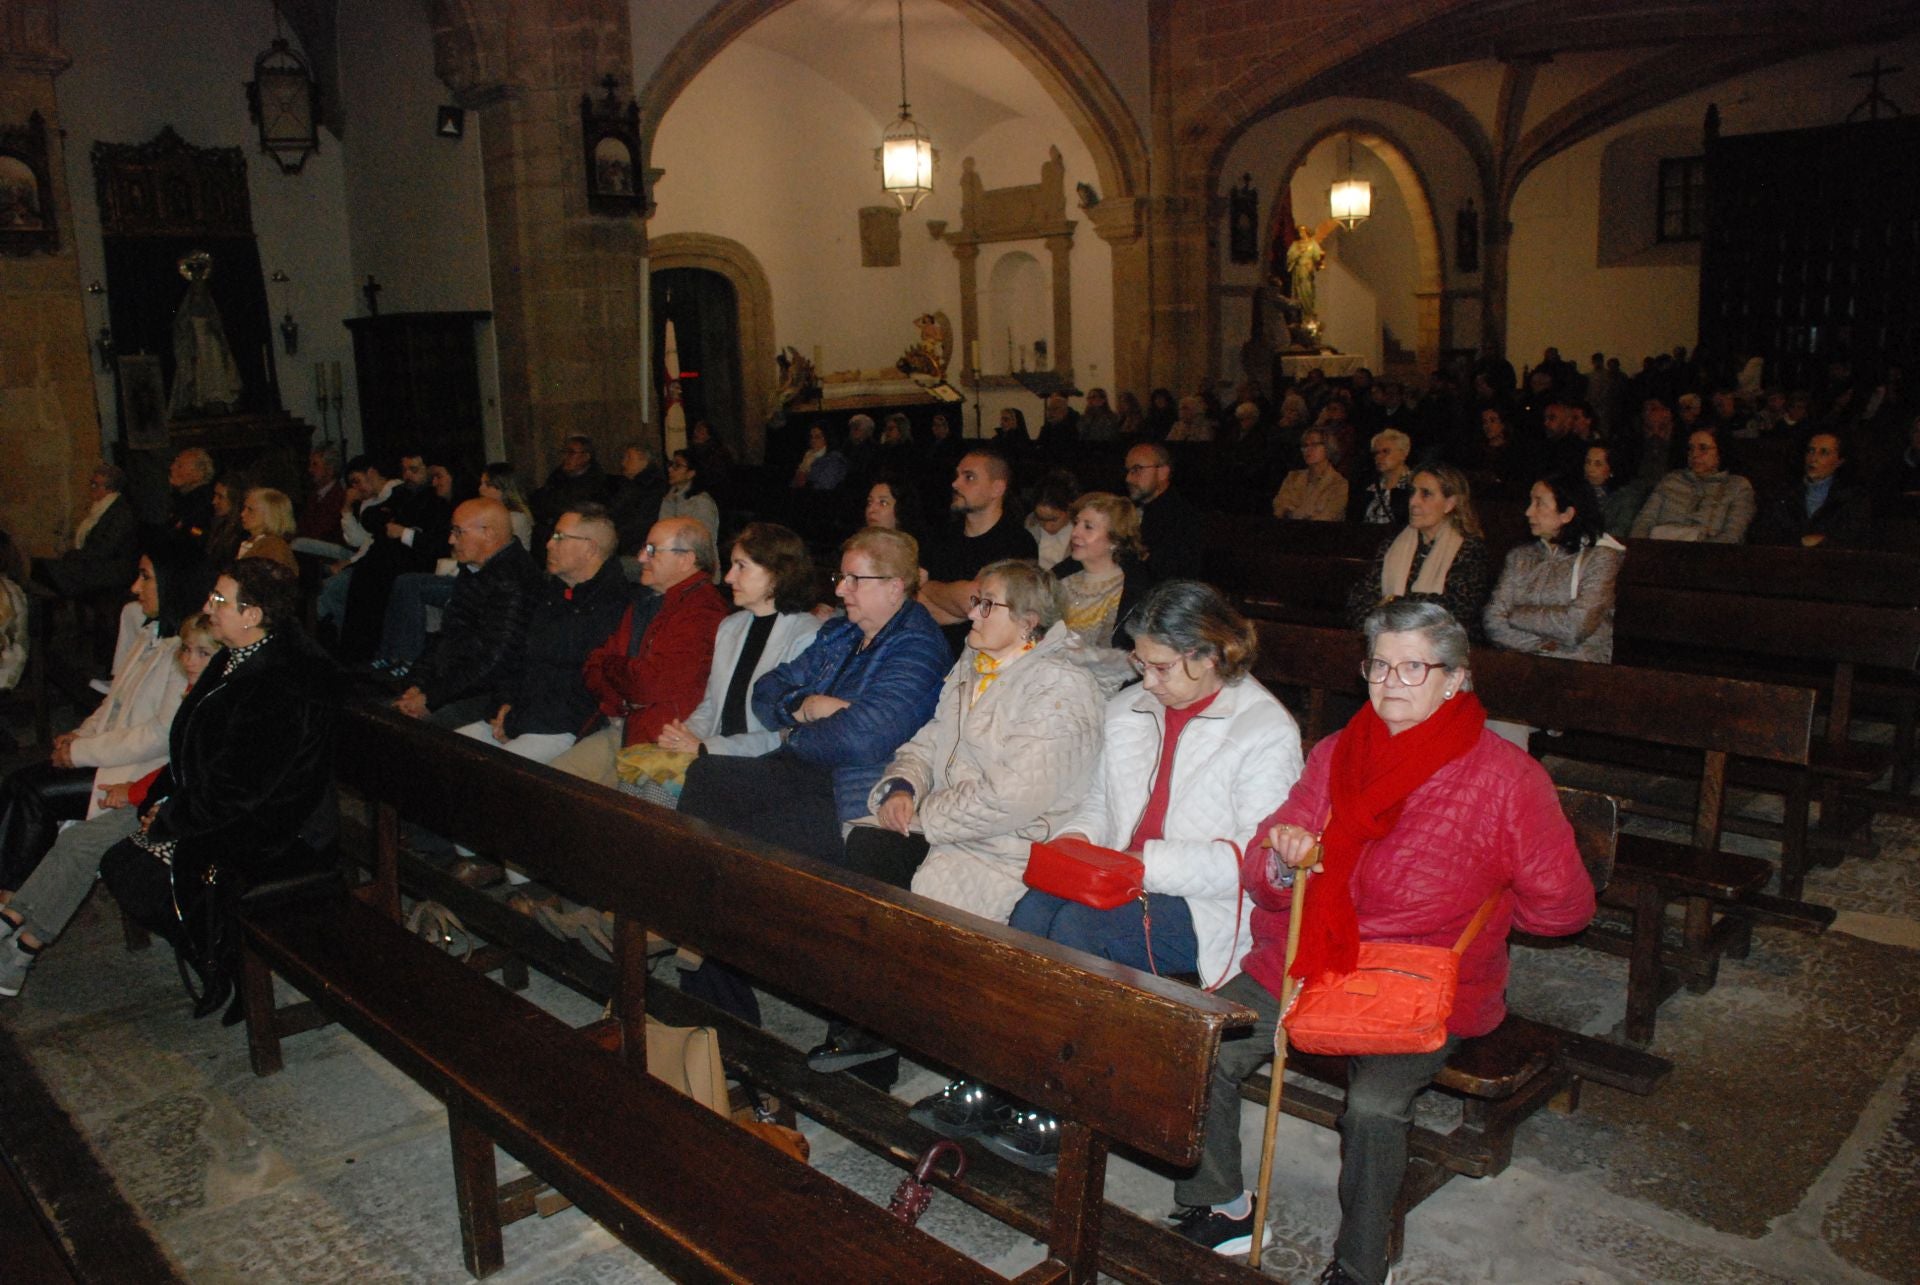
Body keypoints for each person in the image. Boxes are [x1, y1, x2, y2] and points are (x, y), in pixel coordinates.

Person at [1173, 600, 1593, 1274]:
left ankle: (1362, 1263)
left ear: (1455, 677)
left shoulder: (1509, 778)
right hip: (1310, 954)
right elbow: (1265, 872)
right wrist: (1283, 855)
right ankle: (1223, 1202)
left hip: (1415, 978)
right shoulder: (1340, 752)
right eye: (1379, 665)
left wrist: (1490, 910)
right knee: (1209, 1043)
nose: (1391, 681)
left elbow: (1564, 908)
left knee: (1371, 1106)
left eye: (1413, 666)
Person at [914, 582, 1303, 1171]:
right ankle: (995, 1078)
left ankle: (1060, 1107)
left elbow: (1247, 865)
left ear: (1210, 655)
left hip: (1204, 907)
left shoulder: (1264, 730)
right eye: (1141, 664)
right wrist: (1078, 841)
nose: (1146, 681)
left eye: (1161, 667)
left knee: (1077, 933)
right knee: (1027, 915)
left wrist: (1144, 864)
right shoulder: (1132, 708)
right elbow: (1099, 802)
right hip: (1119, 881)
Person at [808, 560, 1104, 1075]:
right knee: (862, 852)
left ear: (1029, 620)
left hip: (1010, 845)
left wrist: (923, 814)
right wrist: (903, 784)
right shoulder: (976, 662)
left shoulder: (1059, 687)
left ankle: (905, 1039)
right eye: (975, 600)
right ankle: (864, 1035)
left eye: (988, 604)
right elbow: (928, 740)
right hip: (951, 827)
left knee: (920, 891)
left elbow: (1015, 796)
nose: (974, 612)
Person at [677, 527, 946, 1025]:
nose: (839, 589)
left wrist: (795, 730)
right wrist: (808, 706)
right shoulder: (842, 632)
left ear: (894, 586)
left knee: (742, 849)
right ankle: (707, 961)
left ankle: (709, 962)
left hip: (850, 789)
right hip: (803, 768)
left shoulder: (917, 648)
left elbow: (866, 737)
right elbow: (769, 688)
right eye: (839, 577)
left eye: (853, 579)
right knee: (708, 778)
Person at [96, 558, 340, 1020]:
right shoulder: (237, 655)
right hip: (232, 808)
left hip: (281, 824)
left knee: (144, 870)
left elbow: (244, 785)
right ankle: (217, 958)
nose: (208, 607)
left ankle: (228, 964)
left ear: (253, 614)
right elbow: (191, 740)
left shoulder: (286, 677)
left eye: (220, 600)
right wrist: (161, 798)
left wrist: (171, 818)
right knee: (125, 862)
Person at [0, 613, 221, 1000]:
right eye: (186, 650)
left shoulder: (214, 701)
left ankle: (16, 940)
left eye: (203, 653)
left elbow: (193, 770)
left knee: (85, 844)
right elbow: (173, 763)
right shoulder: (193, 694)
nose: (189, 660)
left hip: (184, 809)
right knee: (78, 841)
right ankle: (15, 943)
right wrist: (136, 790)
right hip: (160, 797)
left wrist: (137, 795)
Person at [0, 549, 204, 889]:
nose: (136, 587)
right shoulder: (149, 634)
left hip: (136, 770)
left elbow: (158, 735)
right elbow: (114, 701)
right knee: (19, 783)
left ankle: (14, 896)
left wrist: (81, 753)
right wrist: (79, 736)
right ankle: (13, 891)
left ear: (172, 583)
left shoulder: (185, 654)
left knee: (30, 791)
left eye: (146, 577)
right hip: (108, 754)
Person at [548, 517, 730, 787]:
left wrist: (614, 669)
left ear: (686, 560)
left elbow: (649, 683)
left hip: (657, 742)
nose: (641, 557)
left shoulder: (702, 611)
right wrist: (622, 698)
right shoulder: (646, 601)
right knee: (547, 784)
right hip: (622, 726)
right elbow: (593, 665)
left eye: (653, 550)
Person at [452, 504, 630, 766]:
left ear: (590, 548)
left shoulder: (614, 609)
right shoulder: (551, 593)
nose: (548, 544)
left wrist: (516, 720)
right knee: (450, 749)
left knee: (490, 772)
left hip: (561, 728)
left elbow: (583, 695)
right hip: (519, 716)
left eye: (559, 537)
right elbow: (518, 658)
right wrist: (504, 704)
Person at [657, 522, 824, 761]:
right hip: (716, 753)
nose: (728, 577)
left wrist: (706, 747)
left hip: (765, 763)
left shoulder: (807, 636)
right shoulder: (731, 626)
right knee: (639, 776)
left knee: (654, 790)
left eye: (741, 566)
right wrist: (683, 735)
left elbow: (785, 732)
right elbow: (711, 707)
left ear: (777, 574)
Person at [392, 498, 543, 728]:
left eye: (458, 532)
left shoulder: (514, 579)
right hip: (454, 682)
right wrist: (416, 684)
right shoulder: (475, 569)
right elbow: (447, 635)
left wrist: (430, 698)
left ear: (489, 534)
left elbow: (496, 661)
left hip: (489, 694)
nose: (451, 539)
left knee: (403, 729)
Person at [1484, 473, 1625, 662]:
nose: (1528, 512)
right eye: (1530, 502)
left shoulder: (1600, 557)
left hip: (1579, 668)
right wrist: (1539, 646)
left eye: (1539, 503)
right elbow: (1493, 620)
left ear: (1567, 514)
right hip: (1522, 661)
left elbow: (1576, 626)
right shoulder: (1520, 557)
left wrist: (1516, 614)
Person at [1347, 464, 1493, 640]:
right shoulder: (1392, 544)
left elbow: (1453, 609)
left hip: (1441, 646)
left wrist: (1391, 604)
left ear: (1449, 504)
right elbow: (1361, 597)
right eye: (1413, 492)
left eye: (1426, 494)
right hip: (1386, 639)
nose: (1413, 502)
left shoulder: (1469, 549)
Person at [918, 448, 1038, 653]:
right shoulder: (941, 535)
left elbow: (982, 607)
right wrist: (962, 602)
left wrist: (928, 588)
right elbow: (912, 600)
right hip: (927, 647)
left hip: (981, 657)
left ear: (996, 489)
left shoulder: (1018, 542)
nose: (955, 484)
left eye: (969, 477)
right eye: (957, 476)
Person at [1056, 492, 1149, 691]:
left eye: (1088, 527)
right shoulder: (1060, 580)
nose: (1075, 533)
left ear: (1114, 540)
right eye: (1077, 523)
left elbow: (1114, 665)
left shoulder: (1128, 594)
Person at [1630, 428, 1756, 543]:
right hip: (1658, 552)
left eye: (1703, 448)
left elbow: (1732, 536)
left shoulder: (1737, 486)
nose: (1694, 455)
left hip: (1707, 557)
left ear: (1720, 452)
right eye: (1691, 448)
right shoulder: (1671, 480)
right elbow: (1643, 523)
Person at [1751, 431, 1873, 549]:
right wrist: (1800, 542)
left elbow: (1854, 539)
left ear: (1839, 461)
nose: (1813, 458)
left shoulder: (1853, 497)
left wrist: (1823, 542)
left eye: (1824, 453)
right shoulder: (1783, 493)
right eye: (1811, 451)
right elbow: (1762, 534)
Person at [33, 464, 138, 599]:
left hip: (110, 570)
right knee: (42, 567)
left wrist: (73, 555)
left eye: (95, 485)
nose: (91, 488)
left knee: (47, 569)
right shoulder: (100, 509)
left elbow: (105, 548)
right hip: (94, 563)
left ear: (109, 488)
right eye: (91, 484)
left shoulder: (121, 513)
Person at [1123, 443, 1204, 582]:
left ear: (1162, 472)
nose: (1128, 478)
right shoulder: (1127, 508)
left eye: (1137, 469)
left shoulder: (1181, 518)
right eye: (1128, 470)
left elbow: (1172, 574)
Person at [1272, 428, 1349, 521]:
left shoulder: (1339, 484)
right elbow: (1279, 507)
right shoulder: (1293, 477)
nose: (1308, 449)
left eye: (1314, 444)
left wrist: (1293, 513)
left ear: (1328, 447)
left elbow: (1328, 516)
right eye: (1305, 445)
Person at [607, 444, 665, 557]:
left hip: (637, 548)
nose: (623, 463)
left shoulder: (653, 487)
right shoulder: (628, 484)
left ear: (644, 460)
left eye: (629, 458)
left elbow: (640, 523)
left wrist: (614, 536)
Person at [1350, 429, 1414, 527]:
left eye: (1386, 451)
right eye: (1376, 453)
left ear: (1403, 453)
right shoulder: (1366, 487)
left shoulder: (1415, 485)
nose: (1379, 457)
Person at [659, 449, 721, 542]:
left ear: (691, 473)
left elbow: (704, 538)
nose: (670, 469)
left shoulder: (701, 502)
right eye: (671, 464)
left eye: (677, 466)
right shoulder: (669, 498)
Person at [1583, 444, 1641, 540]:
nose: (1590, 469)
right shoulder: (1575, 490)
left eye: (1598, 464)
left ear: (1611, 468)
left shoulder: (1626, 496)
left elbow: (1621, 530)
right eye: (1588, 462)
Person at [235, 488, 299, 572]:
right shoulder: (254, 541)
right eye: (244, 508)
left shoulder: (274, 548)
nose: (242, 514)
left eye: (250, 510)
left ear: (270, 515)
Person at [1025, 470, 1079, 570]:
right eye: (1041, 519)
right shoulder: (1030, 525)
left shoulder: (1081, 532)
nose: (1047, 526)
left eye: (1054, 520)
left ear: (1070, 508)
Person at [862, 472, 926, 543]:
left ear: (901, 509)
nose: (871, 509)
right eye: (869, 502)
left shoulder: (915, 551)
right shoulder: (856, 547)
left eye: (883, 503)